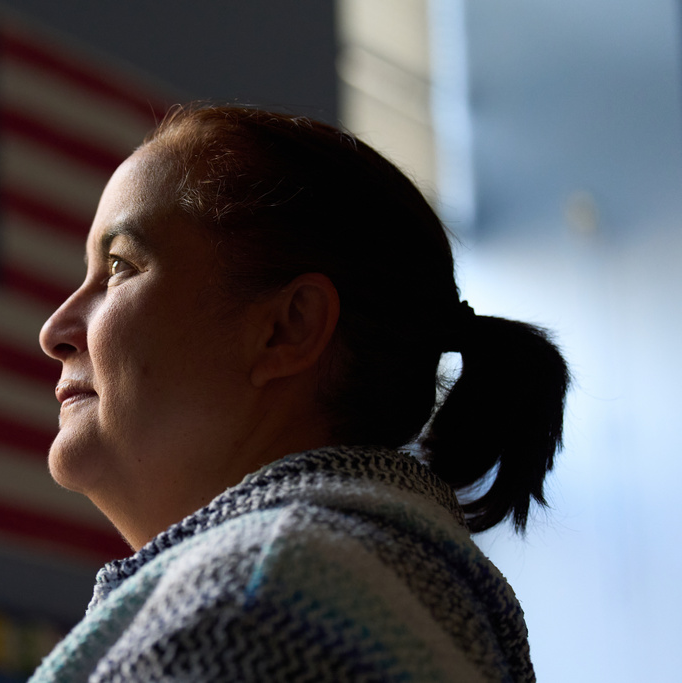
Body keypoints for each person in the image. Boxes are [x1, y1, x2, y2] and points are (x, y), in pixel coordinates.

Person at [31, 105, 569, 682]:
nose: (54, 331)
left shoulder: (246, 612)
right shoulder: (385, 589)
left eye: (119, 266)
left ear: (287, 329)